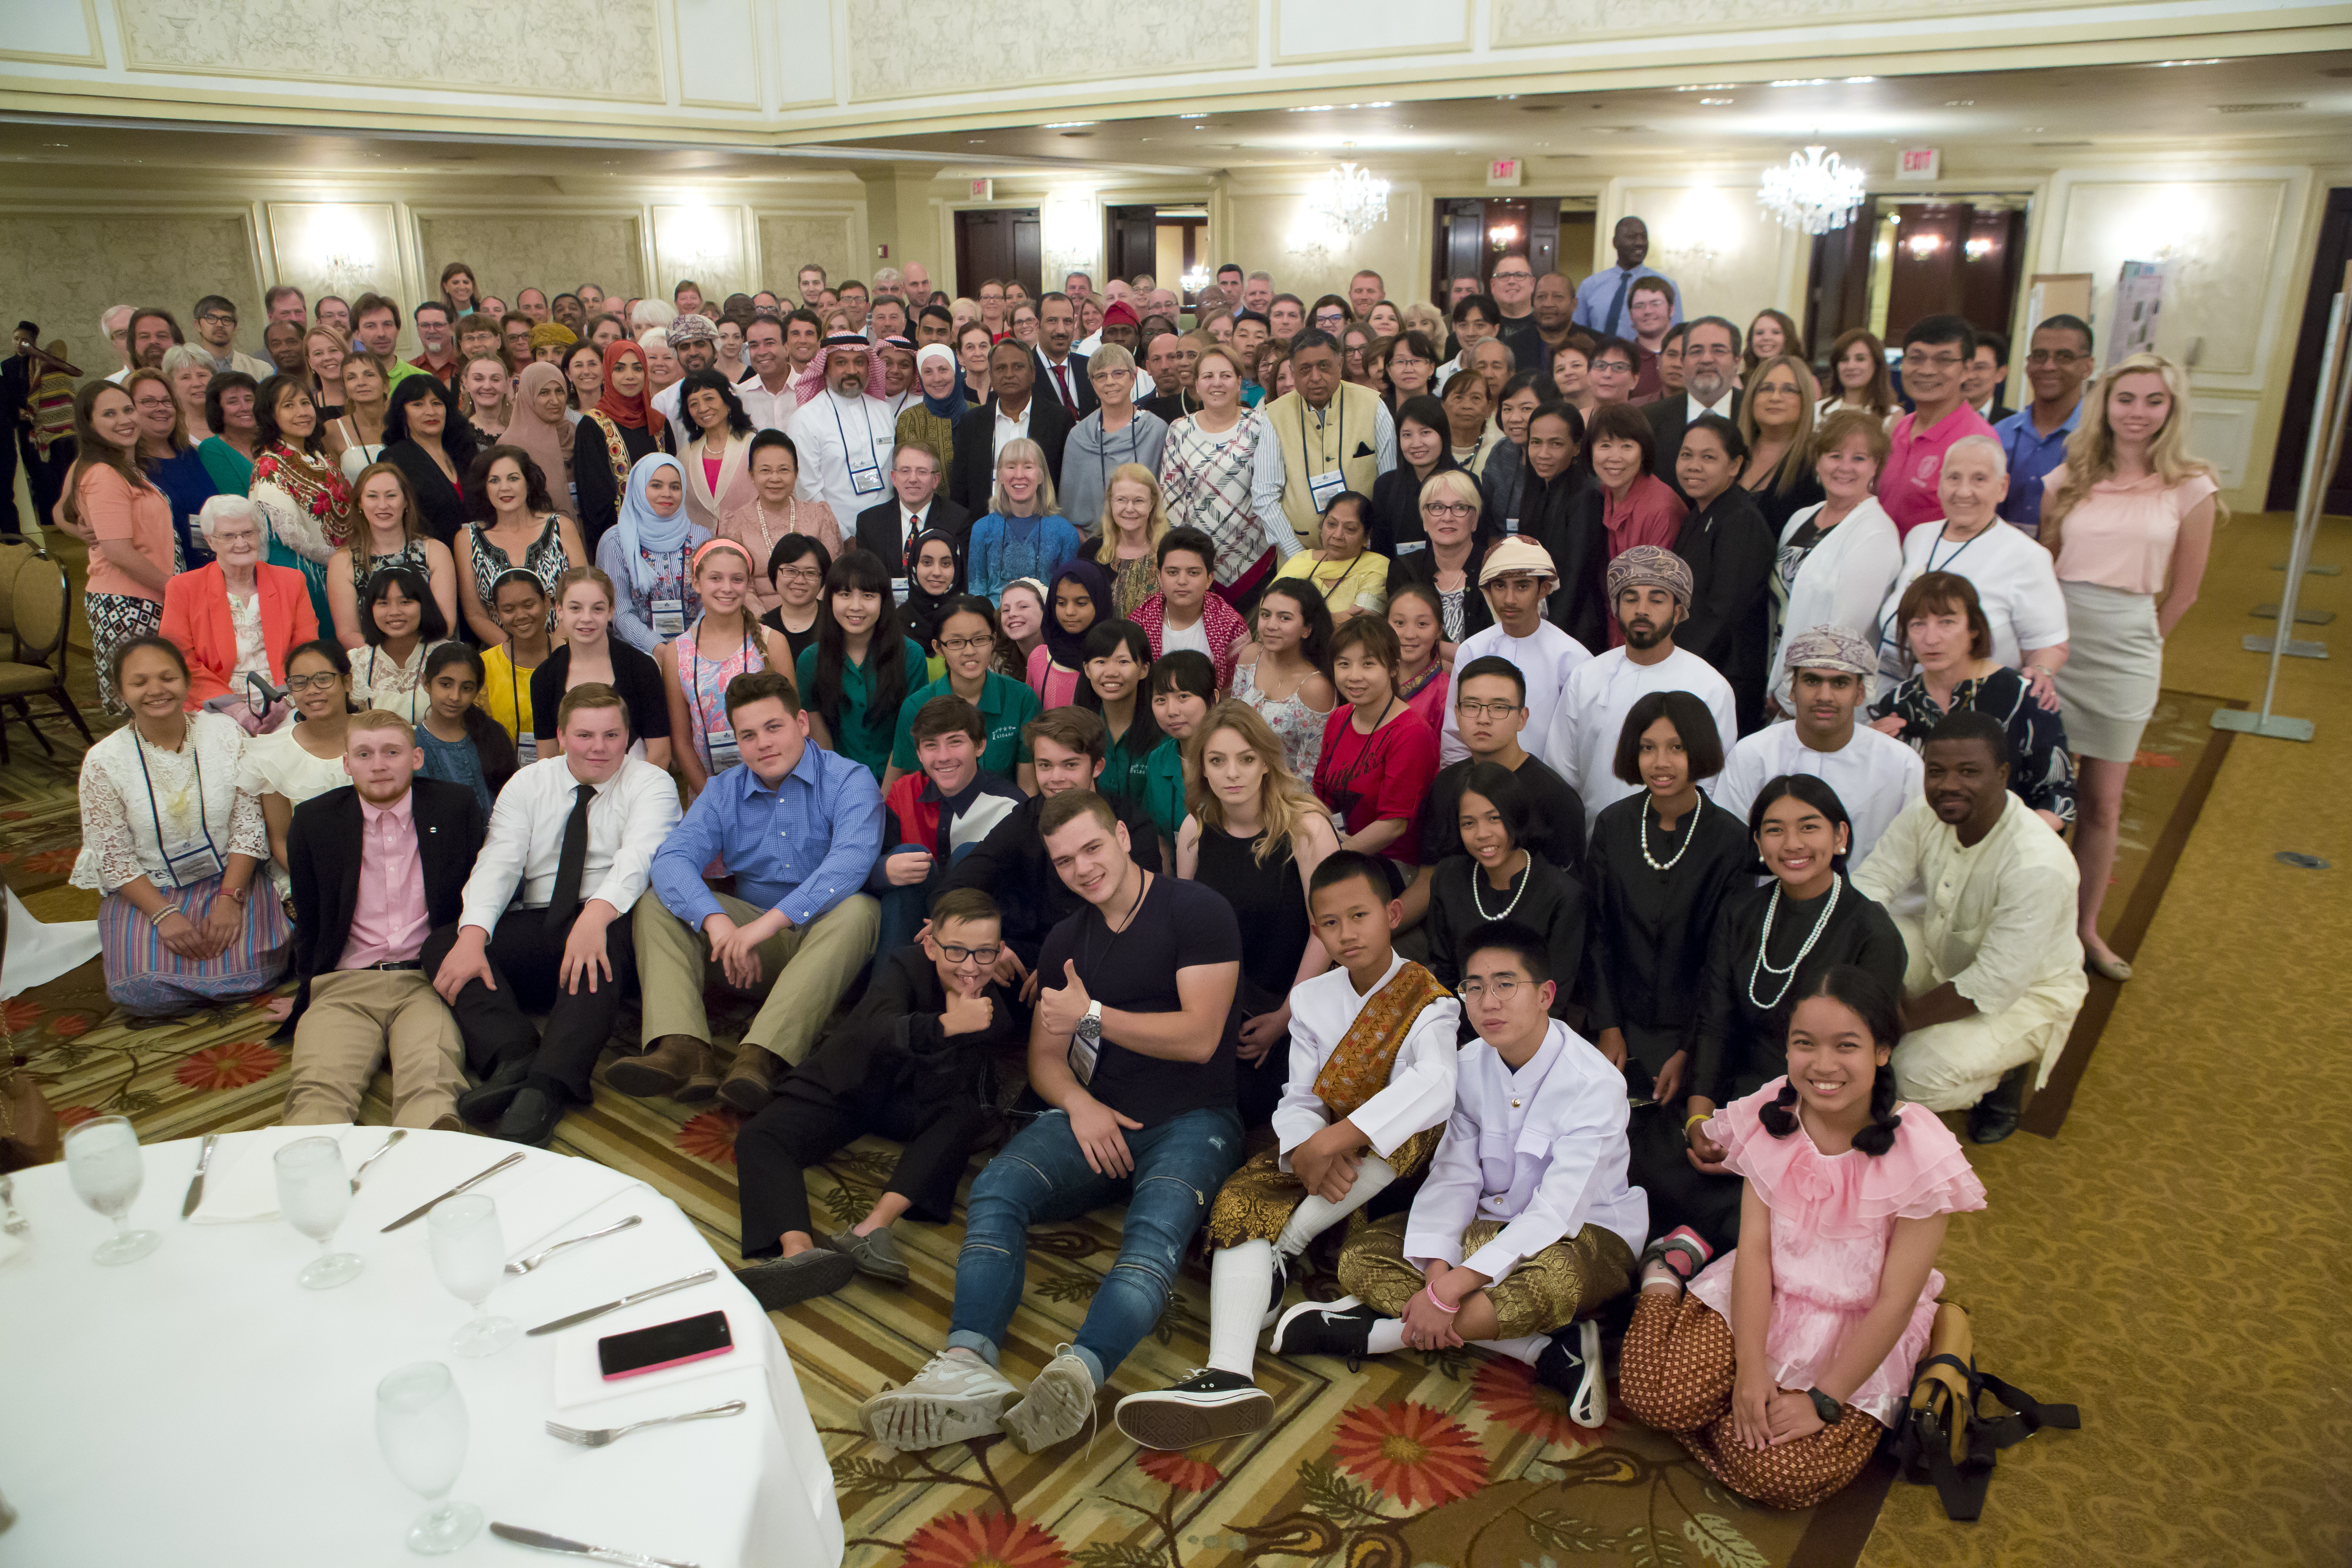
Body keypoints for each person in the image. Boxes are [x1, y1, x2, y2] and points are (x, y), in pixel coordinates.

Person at [857, 791, 1244, 1455]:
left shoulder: (1197, 911)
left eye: (1092, 848)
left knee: (1152, 1237)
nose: (1083, 868)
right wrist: (1081, 1104)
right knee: (997, 1188)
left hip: (1194, 1117)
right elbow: (1044, 1060)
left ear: (1123, 835)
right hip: (1097, 1115)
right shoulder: (1069, 939)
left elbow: (1200, 1037)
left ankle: (1078, 1371)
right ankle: (967, 1365)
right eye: (1065, 861)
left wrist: (1091, 1016)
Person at [1118, 851, 1460, 1446]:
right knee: (1239, 1200)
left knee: (1411, 1122)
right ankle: (1229, 1374)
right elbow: (1300, 1093)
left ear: (1393, 914)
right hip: (1323, 1147)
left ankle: (1289, 1246)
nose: (1346, 934)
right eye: (1330, 923)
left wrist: (1334, 1140)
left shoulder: (1432, 1001)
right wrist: (1304, 1146)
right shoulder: (1312, 1000)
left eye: (1360, 916)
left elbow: (1435, 1088)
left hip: (1398, 1156)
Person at [1619, 965, 1987, 1509]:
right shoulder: (1774, 1113)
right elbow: (1757, 1254)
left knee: (1784, 1479)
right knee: (1652, 1398)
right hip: (1761, 1297)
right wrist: (1747, 1373)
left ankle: (1731, 1416)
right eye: (1804, 1045)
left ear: (1883, 1050)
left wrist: (1824, 1401)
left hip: (1856, 1327)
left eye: (1847, 1046)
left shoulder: (1920, 1151)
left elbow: (1894, 1301)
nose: (1823, 1065)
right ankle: (1664, 1275)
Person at [1277, 920, 1645, 1388]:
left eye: (1506, 985)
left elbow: (1556, 1212)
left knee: (1553, 1280)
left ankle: (1377, 1336)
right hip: (1488, 1225)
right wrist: (1437, 1276)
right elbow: (1453, 1177)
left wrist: (1451, 1289)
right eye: (1474, 987)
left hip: (1586, 1235)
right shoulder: (1467, 1066)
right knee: (1362, 1257)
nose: (1488, 1002)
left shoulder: (1595, 1084)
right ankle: (1547, 1349)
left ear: (1546, 995)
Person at [733, 886, 1021, 1306]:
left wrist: (968, 1024)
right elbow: (877, 1029)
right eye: (956, 951)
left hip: (911, 1105)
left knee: (964, 1115)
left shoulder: (991, 1009)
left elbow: (953, 1090)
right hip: (854, 1084)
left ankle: (871, 1229)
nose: (970, 967)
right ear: (931, 947)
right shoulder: (902, 965)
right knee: (759, 1137)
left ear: (999, 955)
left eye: (984, 954)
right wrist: (945, 1025)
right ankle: (798, 1251)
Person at [620, 668, 883, 1114]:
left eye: (773, 727)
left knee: (860, 910)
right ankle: (684, 1048)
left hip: (822, 944)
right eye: (748, 735)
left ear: (801, 723)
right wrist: (718, 924)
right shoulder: (724, 791)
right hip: (746, 950)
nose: (763, 744)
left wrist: (761, 928)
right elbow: (672, 859)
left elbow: (850, 864)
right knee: (656, 900)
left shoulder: (849, 780)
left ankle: (762, 1056)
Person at [2040, 352, 2221, 982]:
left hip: (2128, 647)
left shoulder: (2191, 486)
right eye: (2126, 399)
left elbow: (2186, 591)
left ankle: (2085, 929)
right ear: (2106, 404)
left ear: (2172, 409)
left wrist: (2145, 647)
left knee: (2102, 804)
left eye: (2153, 401)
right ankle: (2032, 922)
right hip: (2061, 643)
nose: (2137, 413)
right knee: (2041, 793)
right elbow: (2044, 569)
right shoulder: (2071, 478)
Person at [1672, 776, 1907, 1254]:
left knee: (1765, 1221)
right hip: (1738, 1095)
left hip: (1825, 1109)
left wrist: (1762, 1141)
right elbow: (1715, 1023)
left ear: (1840, 837)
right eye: (1774, 830)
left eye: (1809, 827)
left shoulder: (1871, 932)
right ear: (1758, 842)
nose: (1793, 844)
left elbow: (1855, 1062)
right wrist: (1700, 1121)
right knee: (1650, 1167)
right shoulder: (1741, 913)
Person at [1852, 713, 2087, 1143]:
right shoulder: (1927, 811)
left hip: (2026, 994)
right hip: (1947, 952)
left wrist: (1894, 1023)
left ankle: (2003, 1073)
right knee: (1862, 934)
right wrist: (1880, 988)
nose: (1949, 785)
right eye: (1937, 771)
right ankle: (1933, 1035)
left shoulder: (2037, 863)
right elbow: (1869, 888)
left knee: (1909, 1075)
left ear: (2002, 775)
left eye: (1969, 772)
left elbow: (1995, 982)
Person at [276, 706, 477, 1128]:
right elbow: (310, 919)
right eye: (364, 755)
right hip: (346, 983)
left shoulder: (454, 808)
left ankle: (431, 1168)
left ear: (416, 759)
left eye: (392, 752)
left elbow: (479, 893)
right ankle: (312, 1171)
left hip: (427, 980)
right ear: (346, 763)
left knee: (433, 1077)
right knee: (318, 1087)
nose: (379, 765)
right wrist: (304, 996)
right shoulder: (314, 821)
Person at [71, 637, 290, 1015]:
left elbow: (248, 827)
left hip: (230, 878)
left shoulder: (224, 734)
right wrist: (163, 915)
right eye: (139, 683)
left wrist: (229, 901)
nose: (156, 691)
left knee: (256, 969)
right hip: (151, 890)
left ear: (187, 682)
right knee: (142, 990)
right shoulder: (104, 761)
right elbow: (113, 855)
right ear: (121, 692)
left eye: (167, 678)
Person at [1582, 690, 1751, 1108]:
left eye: (1677, 748)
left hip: (1696, 1031)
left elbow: (1723, 959)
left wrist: (1689, 1049)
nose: (1661, 763)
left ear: (1700, 749)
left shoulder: (1730, 839)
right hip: (1617, 1023)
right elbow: (1596, 931)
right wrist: (1608, 1026)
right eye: (1648, 748)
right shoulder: (1614, 825)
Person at [943, 707, 1165, 984]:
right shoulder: (1025, 818)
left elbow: (1142, 915)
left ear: (1097, 767)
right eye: (1045, 765)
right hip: (1026, 953)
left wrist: (1059, 965)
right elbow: (961, 883)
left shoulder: (1131, 826)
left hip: (1104, 954)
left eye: (1070, 765)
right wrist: (987, 945)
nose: (1055, 778)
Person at [1543, 544, 1739, 828]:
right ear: (1616, 608)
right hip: (1594, 845)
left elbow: (1712, 785)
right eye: (1631, 599)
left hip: (1680, 847)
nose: (1642, 611)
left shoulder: (1709, 687)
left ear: (1678, 611)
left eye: (1657, 600)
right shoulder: (1587, 677)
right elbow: (1561, 774)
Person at [1870, 571, 2076, 829]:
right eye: (1918, 624)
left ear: (1974, 630)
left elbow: (2059, 796)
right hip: (1920, 846)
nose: (1931, 639)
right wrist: (1868, 751)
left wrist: (2007, 841)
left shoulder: (2023, 697)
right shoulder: (1898, 703)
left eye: (1947, 622)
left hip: (2010, 846)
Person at [1875, 435, 2069, 699]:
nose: (1964, 492)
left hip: (1973, 709)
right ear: (1941, 484)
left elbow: (2050, 645)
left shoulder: (2027, 556)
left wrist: (2041, 672)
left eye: (1979, 479)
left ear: (2002, 487)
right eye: (1954, 478)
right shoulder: (1919, 537)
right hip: (1894, 695)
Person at [1716, 628, 1924, 872]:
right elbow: (1730, 848)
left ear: (1860, 693)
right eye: (1812, 681)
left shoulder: (1901, 765)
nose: (1825, 696)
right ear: (1792, 689)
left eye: (1840, 683)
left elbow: (1913, 858)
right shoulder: (1753, 755)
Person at [1405, 655, 1585, 928]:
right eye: (1472, 706)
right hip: (1453, 934)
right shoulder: (1447, 784)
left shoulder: (1555, 797)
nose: (1483, 719)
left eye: (1499, 708)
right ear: (1457, 713)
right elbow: (1428, 880)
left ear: (1522, 718)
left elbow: (1569, 902)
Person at [1421, 765, 1588, 1022]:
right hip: (1462, 1030)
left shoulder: (1562, 895)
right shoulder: (1448, 877)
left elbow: (1555, 997)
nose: (1482, 834)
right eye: (1469, 823)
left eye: (1494, 818)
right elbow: (1446, 973)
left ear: (1516, 816)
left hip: (1532, 1035)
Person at [869, 693, 1027, 959]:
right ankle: (888, 991)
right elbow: (854, 866)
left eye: (955, 743)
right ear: (919, 754)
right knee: (904, 856)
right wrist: (883, 871)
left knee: (969, 853)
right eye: (931, 746)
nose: (943, 757)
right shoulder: (904, 792)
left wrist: (948, 923)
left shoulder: (1009, 806)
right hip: (914, 924)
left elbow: (1026, 897)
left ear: (980, 746)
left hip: (980, 932)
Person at [1765, 409, 1902, 715]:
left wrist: (1791, 694)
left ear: (1875, 467)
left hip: (1826, 696)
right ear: (1818, 460)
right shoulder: (1802, 518)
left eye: (1859, 459)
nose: (1845, 467)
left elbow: (1844, 633)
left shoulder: (1876, 534)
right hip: (1780, 680)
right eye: (1835, 455)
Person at [58, 383, 173, 711]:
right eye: (109, 414)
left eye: (127, 409)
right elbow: (118, 552)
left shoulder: (126, 468)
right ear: (89, 424)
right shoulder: (103, 474)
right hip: (127, 605)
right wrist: (177, 589)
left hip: (146, 598)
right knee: (146, 708)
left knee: (158, 708)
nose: (124, 419)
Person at [655, 538, 797, 799]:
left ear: (748, 584)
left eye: (737, 579)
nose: (727, 588)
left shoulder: (772, 643)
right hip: (708, 792)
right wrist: (712, 799)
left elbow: (792, 725)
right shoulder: (677, 652)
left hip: (775, 788)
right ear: (696, 582)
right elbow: (682, 740)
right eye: (716, 578)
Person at [158, 495, 318, 713]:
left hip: (285, 697)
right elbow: (179, 661)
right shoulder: (183, 588)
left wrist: (284, 702)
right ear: (210, 540)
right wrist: (235, 709)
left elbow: (305, 650)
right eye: (229, 536)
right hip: (214, 704)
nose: (241, 543)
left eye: (248, 533)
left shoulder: (291, 581)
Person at [1438, 536, 1589, 764]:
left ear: (1544, 589)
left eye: (1522, 586)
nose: (1509, 599)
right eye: (1500, 586)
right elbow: (1455, 733)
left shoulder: (1572, 658)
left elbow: (1576, 745)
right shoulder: (1473, 649)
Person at [1250, 329, 1397, 560]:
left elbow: (1390, 487)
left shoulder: (1373, 405)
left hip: (1366, 556)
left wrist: (1370, 545)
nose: (1315, 377)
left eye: (1324, 366)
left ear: (1340, 365)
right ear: (1293, 372)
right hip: (1298, 557)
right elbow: (1265, 495)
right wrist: (1298, 556)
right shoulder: (1275, 415)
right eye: (1305, 369)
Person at [1671, 415, 1777, 727]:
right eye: (1686, 455)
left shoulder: (1740, 520)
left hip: (1725, 674)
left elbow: (1724, 610)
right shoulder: (1700, 511)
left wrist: (1675, 662)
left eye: (1709, 458)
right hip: (1697, 664)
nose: (1693, 466)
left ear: (1734, 466)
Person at [1157, 346, 1278, 606]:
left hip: (1256, 554)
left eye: (1225, 375)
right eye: (1208, 376)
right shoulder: (1179, 429)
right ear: (1197, 385)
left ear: (1239, 382)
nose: (1217, 383)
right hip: (1197, 564)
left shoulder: (1261, 425)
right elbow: (1172, 500)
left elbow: (1273, 489)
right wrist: (1190, 558)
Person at [1314, 615, 1439, 866]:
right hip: (1337, 846)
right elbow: (1320, 793)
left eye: (1368, 664)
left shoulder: (1412, 733)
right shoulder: (1340, 716)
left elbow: (1393, 825)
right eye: (1344, 664)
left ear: (1393, 668)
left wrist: (1333, 855)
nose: (1354, 676)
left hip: (1389, 864)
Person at [238, 639, 359, 893]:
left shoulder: (380, 736)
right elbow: (281, 839)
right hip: (311, 875)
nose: (312, 690)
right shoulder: (275, 754)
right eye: (300, 682)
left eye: (323, 679)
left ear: (347, 682)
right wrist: (324, 884)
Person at [795, 547, 925, 782]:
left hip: (900, 785)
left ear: (884, 600)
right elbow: (821, 742)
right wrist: (847, 793)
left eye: (868, 595)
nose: (856, 606)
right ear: (830, 598)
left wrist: (885, 802)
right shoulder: (809, 661)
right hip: (838, 784)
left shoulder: (911, 655)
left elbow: (910, 735)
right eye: (845, 595)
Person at [887, 595, 1040, 791]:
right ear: (938, 648)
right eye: (956, 642)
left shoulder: (1022, 699)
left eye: (980, 640)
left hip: (1006, 816)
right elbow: (909, 786)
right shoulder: (916, 707)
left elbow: (1027, 787)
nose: (970, 651)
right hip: (939, 818)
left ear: (993, 641)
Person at [530, 566, 674, 771]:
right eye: (575, 608)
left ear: (611, 611)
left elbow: (660, 753)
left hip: (635, 788)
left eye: (597, 609)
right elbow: (547, 760)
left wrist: (631, 799)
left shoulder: (641, 667)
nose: (586, 618)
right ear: (559, 610)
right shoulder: (544, 678)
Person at [1880, 316, 2000, 539]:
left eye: (1944, 360)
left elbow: (1976, 531)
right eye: (1916, 358)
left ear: (1967, 369)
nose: (1927, 371)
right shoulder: (1901, 426)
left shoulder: (1976, 441)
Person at [455, 445, 583, 646]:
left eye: (513, 478)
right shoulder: (467, 538)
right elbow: (475, 614)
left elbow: (582, 596)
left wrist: (553, 648)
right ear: (484, 488)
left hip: (566, 647)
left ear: (528, 484)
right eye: (494, 480)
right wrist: (516, 653)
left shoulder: (561, 527)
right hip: (503, 653)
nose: (504, 488)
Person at [594, 452, 712, 653]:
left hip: (698, 646)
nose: (667, 493)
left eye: (675, 487)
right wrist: (658, 648)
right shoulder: (617, 541)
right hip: (636, 652)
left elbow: (710, 599)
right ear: (639, 489)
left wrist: (688, 644)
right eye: (656, 485)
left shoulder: (701, 536)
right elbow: (619, 611)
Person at [1996, 315, 2096, 539]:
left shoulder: (2102, 440)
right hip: (2001, 563)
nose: (2049, 366)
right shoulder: (1999, 435)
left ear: (2088, 367)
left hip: (2072, 564)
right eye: (2040, 356)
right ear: (2028, 365)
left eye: (2064, 357)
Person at [1385, 468, 1497, 664]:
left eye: (1460, 507)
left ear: (1475, 520)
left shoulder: (1496, 568)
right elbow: (1399, 642)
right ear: (1424, 520)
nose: (1447, 517)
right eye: (1437, 507)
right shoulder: (1403, 570)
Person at [1230, 578, 1337, 782]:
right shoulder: (1251, 656)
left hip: (1285, 796)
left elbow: (1310, 772)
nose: (1271, 626)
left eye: (1285, 618)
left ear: (1307, 629)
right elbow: (1231, 720)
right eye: (1265, 615)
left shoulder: (1315, 687)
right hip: (1237, 778)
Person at [949, 338, 1072, 512]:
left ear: (1033, 373)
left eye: (1018, 367)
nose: (1009, 374)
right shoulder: (972, 422)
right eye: (1001, 368)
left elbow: (1066, 485)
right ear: (991, 375)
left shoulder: (1059, 420)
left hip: (1043, 526)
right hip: (985, 527)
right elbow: (960, 487)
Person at [1059, 343, 1169, 529]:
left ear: (1133, 378)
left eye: (1118, 373)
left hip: (1147, 539)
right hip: (1092, 543)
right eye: (1101, 376)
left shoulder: (1157, 430)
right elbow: (1070, 503)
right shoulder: (1079, 437)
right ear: (1093, 383)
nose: (1110, 382)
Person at [1129, 522, 1250, 689]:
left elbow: (1237, 694)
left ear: (1209, 579)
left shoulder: (1231, 626)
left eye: (1193, 573)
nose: (1182, 581)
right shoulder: (1138, 623)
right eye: (1173, 572)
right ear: (1159, 577)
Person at [574, 341, 666, 552]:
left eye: (637, 368)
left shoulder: (659, 424)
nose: (630, 376)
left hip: (661, 536)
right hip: (616, 540)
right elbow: (594, 499)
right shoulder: (592, 425)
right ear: (608, 373)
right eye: (620, 368)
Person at [967, 437, 1082, 602]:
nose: (1019, 475)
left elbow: (1066, 596)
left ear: (1041, 475)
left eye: (1028, 467)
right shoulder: (982, 529)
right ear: (999, 475)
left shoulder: (1065, 532)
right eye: (1011, 467)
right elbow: (976, 593)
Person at [413, 642, 517, 815]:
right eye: (446, 685)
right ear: (427, 683)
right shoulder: (415, 745)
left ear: (477, 691)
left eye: (467, 688)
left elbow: (514, 796)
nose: (455, 697)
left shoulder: (492, 734)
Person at [1138, 649, 1216, 855]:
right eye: (1161, 700)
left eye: (1184, 696)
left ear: (1213, 698)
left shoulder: (1234, 755)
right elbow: (1161, 839)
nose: (1172, 711)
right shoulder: (1158, 760)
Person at [1736, 355, 1824, 538]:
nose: (1775, 397)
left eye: (1789, 390)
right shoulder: (1731, 450)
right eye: (1766, 389)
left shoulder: (1818, 462)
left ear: (1805, 399)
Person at [1076, 619, 1160, 805]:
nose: (1111, 672)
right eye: (1101, 661)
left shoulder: (1165, 733)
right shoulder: (1075, 731)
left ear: (1144, 670)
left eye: (1123, 661)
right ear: (1087, 670)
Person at [1273, 489, 1388, 624]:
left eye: (1350, 529)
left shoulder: (1376, 568)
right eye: (1332, 524)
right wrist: (1330, 619)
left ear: (1367, 536)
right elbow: (1271, 611)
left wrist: (1293, 620)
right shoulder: (1302, 560)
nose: (1338, 535)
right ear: (1322, 526)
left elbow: (1358, 624)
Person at [1367, 394, 1460, 558]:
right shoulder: (1386, 486)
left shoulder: (1465, 484)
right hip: (1399, 578)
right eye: (1407, 435)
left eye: (1425, 432)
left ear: (1443, 435)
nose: (1416, 444)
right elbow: (1380, 552)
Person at [479, 568, 555, 761]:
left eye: (529, 605)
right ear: (497, 613)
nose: (520, 615)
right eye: (509, 610)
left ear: (547, 603)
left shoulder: (574, 654)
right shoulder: (485, 665)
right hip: (506, 773)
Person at [1082, 461, 1172, 618]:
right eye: (1121, 500)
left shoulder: (1172, 550)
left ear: (1152, 504)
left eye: (1139, 501)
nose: (1130, 509)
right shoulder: (1091, 552)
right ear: (1111, 503)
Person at [1575, 216, 1680, 337]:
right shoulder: (1590, 286)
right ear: (1615, 242)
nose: (1640, 243)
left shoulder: (1666, 285)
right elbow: (1579, 334)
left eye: (1644, 238)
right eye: (1632, 237)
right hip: (1599, 355)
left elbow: (1676, 336)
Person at [1027, 560, 1110, 709]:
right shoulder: (1039, 658)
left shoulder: (1114, 658)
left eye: (1081, 603)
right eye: (1061, 603)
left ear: (1100, 602)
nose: (1070, 612)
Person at [501, 362, 578, 521]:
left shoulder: (574, 433)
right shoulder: (510, 445)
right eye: (544, 393)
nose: (555, 401)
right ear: (528, 396)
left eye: (560, 392)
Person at [1388, 581, 1450, 735]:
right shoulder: (1371, 677)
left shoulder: (1447, 694)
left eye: (1422, 624)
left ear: (1439, 631)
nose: (1409, 635)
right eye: (1399, 623)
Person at [1963, 330, 2012, 423]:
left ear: (2001, 374)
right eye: (1965, 367)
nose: (1970, 376)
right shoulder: (1938, 418)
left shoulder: (2011, 424)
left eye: (1980, 367)